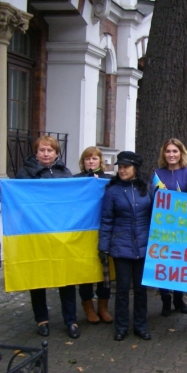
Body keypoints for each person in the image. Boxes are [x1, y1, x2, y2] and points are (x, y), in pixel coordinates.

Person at [15, 135, 79, 339]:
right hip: (34, 232)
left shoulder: (65, 173)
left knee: (66, 278)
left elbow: (75, 199)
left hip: (60, 232)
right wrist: (4, 189)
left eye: (49, 150)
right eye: (42, 150)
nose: (45, 153)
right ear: (36, 152)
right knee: (38, 277)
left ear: (56, 153)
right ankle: (41, 319)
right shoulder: (24, 173)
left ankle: (71, 320)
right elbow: (17, 197)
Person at [98, 151, 152, 341]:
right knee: (121, 289)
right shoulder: (112, 191)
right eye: (119, 167)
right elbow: (106, 220)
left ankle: (140, 326)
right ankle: (121, 327)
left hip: (144, 245)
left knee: (140, 289)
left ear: (135, 168)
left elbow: (157, 215)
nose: (121, 170)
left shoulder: (148, 187)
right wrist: (103, 246)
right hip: (121, 245)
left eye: (125, 167)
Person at [154, 138, 187, 316]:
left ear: (181, 153)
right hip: (162, 228)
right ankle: (165, 300)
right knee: (163, 263)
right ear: (164, 154)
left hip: (182, 229)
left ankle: (179, 299)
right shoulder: (157, 173)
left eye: (175, 151)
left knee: (179, 264)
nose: (171, 154)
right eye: (168, 151)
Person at [74, 146, 113, 325]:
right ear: (83, 162)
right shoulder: (75, 180)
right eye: (87, 159)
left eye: (94, 158)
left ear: (100, 161)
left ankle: (103, 307)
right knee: (85, 271)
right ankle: (88, 307)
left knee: (103, 272)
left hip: (103, 231)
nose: (91, 161)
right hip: (82, 232)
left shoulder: (109, 180)